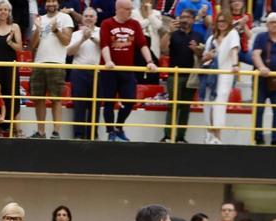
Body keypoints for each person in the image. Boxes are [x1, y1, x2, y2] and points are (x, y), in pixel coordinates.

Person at [99, 0, 156, 142]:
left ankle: (119, 127)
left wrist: (149, 61)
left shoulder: (134, 24)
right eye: (128, 9)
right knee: (109, 103)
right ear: (118, 9)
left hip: (127, 69)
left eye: (131, 9)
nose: (131, 11)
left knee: (130, 100)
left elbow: (142, 44)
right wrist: (108, 61)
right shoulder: (107, 23)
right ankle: (111, 131)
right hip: (110, 71)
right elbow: (104, 44)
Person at [29, 0, 73, 138]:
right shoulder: (39, 19)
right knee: (39, 99)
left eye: (53, 1)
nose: (51, 3)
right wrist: (37, 29)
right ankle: (41, 131)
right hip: (39, 62)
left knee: (56, 99)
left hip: (57, 63)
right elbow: (33, 45)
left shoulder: (65, 18)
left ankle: (56, 132)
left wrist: (55, 30)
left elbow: (66, 41)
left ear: (58, 3)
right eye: (48, 1)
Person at [162, 8, 203, 143]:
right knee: (172, 106)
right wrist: (168, 32)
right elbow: (163, 50)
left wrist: (196, 50)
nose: (184, 20)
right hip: (174, 74)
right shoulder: (173, 33)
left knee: (185, 107)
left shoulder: (198, 35)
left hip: (191, 76)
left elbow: (202, 57)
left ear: (193, 19)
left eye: (187, 17)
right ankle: (168, 136)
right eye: (182, 17)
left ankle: (180, 137)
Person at [200, 15, 241, 145]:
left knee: (219, 103)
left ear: (229, 22)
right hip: (209, 74)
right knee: (207, 103)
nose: (222, 23)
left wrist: (235, 65)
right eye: (219, 21)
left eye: (224, 21)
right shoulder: (211, 38)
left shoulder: (233, 34)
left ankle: (217, 136)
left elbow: (234, 51)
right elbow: (203, 59)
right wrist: (207, 56)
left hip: (224, 74)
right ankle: (209, 134)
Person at [0, 1, 23, 136]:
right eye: (0, 9)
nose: (3, 12)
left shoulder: (15, 27)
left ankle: (16, 129)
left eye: (6, 10)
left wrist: (9, 42)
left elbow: (19, 48)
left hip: (10, 68)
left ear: (9, 12)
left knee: (13, 96)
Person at [67, 6, 101, 139]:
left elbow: (105, 46)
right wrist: (83, 39)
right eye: (86, 16)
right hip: (79, 71)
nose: (89, 18)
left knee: (95, 105)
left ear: (96, 18)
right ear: (82, 17)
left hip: (97, 71)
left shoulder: (101, 31)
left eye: (91, 16)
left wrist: (91, 36)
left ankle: (93, 134)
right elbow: (69, 52)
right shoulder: (76, 34)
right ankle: (78, 135)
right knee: (79, 105)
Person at [251, 13, 276, 146]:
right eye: (272, 22)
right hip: (261, 79)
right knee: (259, 109)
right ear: (267, 24)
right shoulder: (261, 37)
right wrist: (261, 67)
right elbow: (255, 54)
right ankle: (258, 137)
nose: (275, 24)